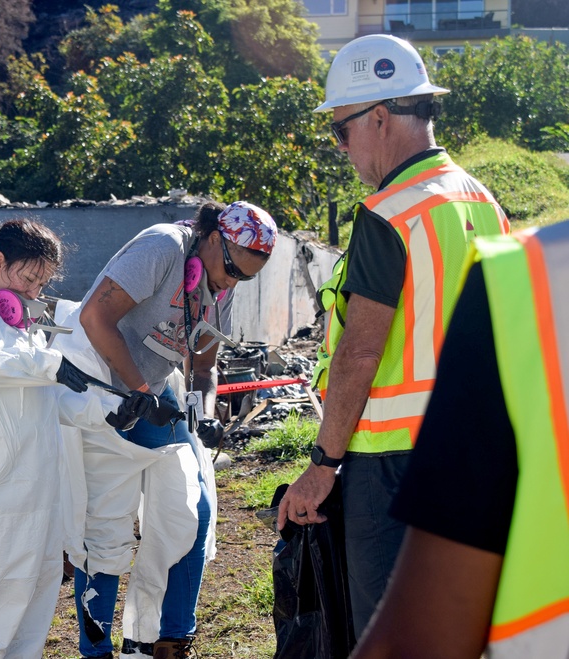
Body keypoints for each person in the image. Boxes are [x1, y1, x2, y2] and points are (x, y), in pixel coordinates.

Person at [276, 33, 510, 638]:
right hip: (474, 447)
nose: (342, 149)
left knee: (390, 630)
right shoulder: (482, 202)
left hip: (392, 463)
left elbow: (359, 351)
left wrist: (322, 463)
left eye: (340, 132)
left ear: (378, 117)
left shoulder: (388, 213)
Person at [0, 218, 160, 658]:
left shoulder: (13, 321)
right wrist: (46, 366)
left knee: (31, 608)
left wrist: (112, 412)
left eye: (44, 281)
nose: (36, 291)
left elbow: (48, 400)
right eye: (31, 278)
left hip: (35, 495)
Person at [68, 200, 277, 659]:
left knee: (191, 511)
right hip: (94, 390)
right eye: (232, 269)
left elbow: (203, 363)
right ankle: (96, 649)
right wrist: (140, 391)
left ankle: (165, 639)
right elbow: (94, 319)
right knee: (106, 529)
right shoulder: (162, 247)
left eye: (246, 277)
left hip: (152, 392)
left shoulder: (222, 279)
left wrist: (203, 410)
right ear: (212, 237)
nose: (232, 282)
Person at [351, 221, 569, 659]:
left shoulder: (533, 277)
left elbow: (418, 643)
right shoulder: (484, 206)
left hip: (384, 444)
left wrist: (322, 461)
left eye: (343, 143)